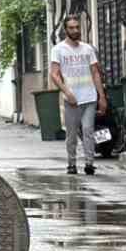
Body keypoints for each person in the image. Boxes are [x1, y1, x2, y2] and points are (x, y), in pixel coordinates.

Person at [48, 13, 108, 177]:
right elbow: (54, 74)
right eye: (71, 28)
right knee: (72, 134)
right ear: (65, 30)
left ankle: (89, 163)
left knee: (88, 130)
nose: (75, 30)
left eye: (77, 27)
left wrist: (101, 97)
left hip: (89, 97)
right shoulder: (58, 50)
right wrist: (67, 92)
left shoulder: (88, 49)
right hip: (71, 100)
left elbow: (95, 73)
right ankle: (72, 163)